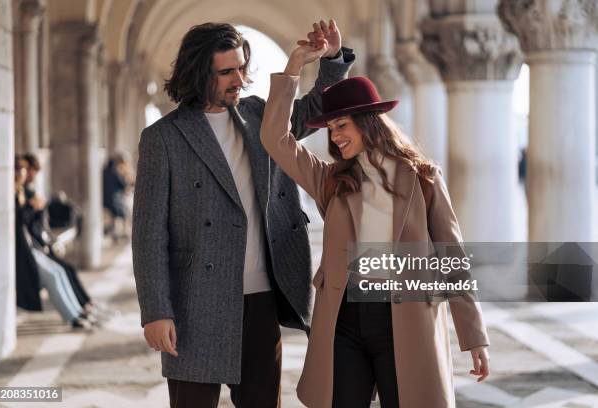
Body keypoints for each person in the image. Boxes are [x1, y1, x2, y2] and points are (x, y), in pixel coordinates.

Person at [132, 20, 354, 408]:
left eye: (240, 68)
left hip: (263, 297)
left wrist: (327, 60)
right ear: (199, 74)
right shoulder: (163, 138)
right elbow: (149, 233)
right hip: (194, 303)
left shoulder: (258, 115)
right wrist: (156, 311)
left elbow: (315, 109)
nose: (239, 79)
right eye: (226, 72)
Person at [260, 43, 490, 407]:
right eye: (331, 128)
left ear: (368, 121)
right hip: (345, 318)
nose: (334, 136)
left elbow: (452, 256)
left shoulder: (424, 179)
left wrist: (474, 335)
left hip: (405, 319)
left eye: (341, 125)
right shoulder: (332, 180)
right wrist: (293, 68)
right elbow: (275, 139)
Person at [14, 156, 93, 330]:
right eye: (19, 170)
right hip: (21, 251)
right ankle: (73, 317)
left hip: (31, 247)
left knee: (59, 271)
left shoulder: (22, 192)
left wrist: (37, 209)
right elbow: (17, 223)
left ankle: (79, 310)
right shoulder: (14, 193)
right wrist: (33, 208)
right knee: (53, 275)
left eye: (24, 170)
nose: (23, 173)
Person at [103, 152, 132, 241]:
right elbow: (124, 186)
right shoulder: (115, 173)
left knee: (118, 212)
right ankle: (125, 233)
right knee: (127, 209)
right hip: (113, 201)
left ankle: (114, 232)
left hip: (104, 201)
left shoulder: (103, 172)